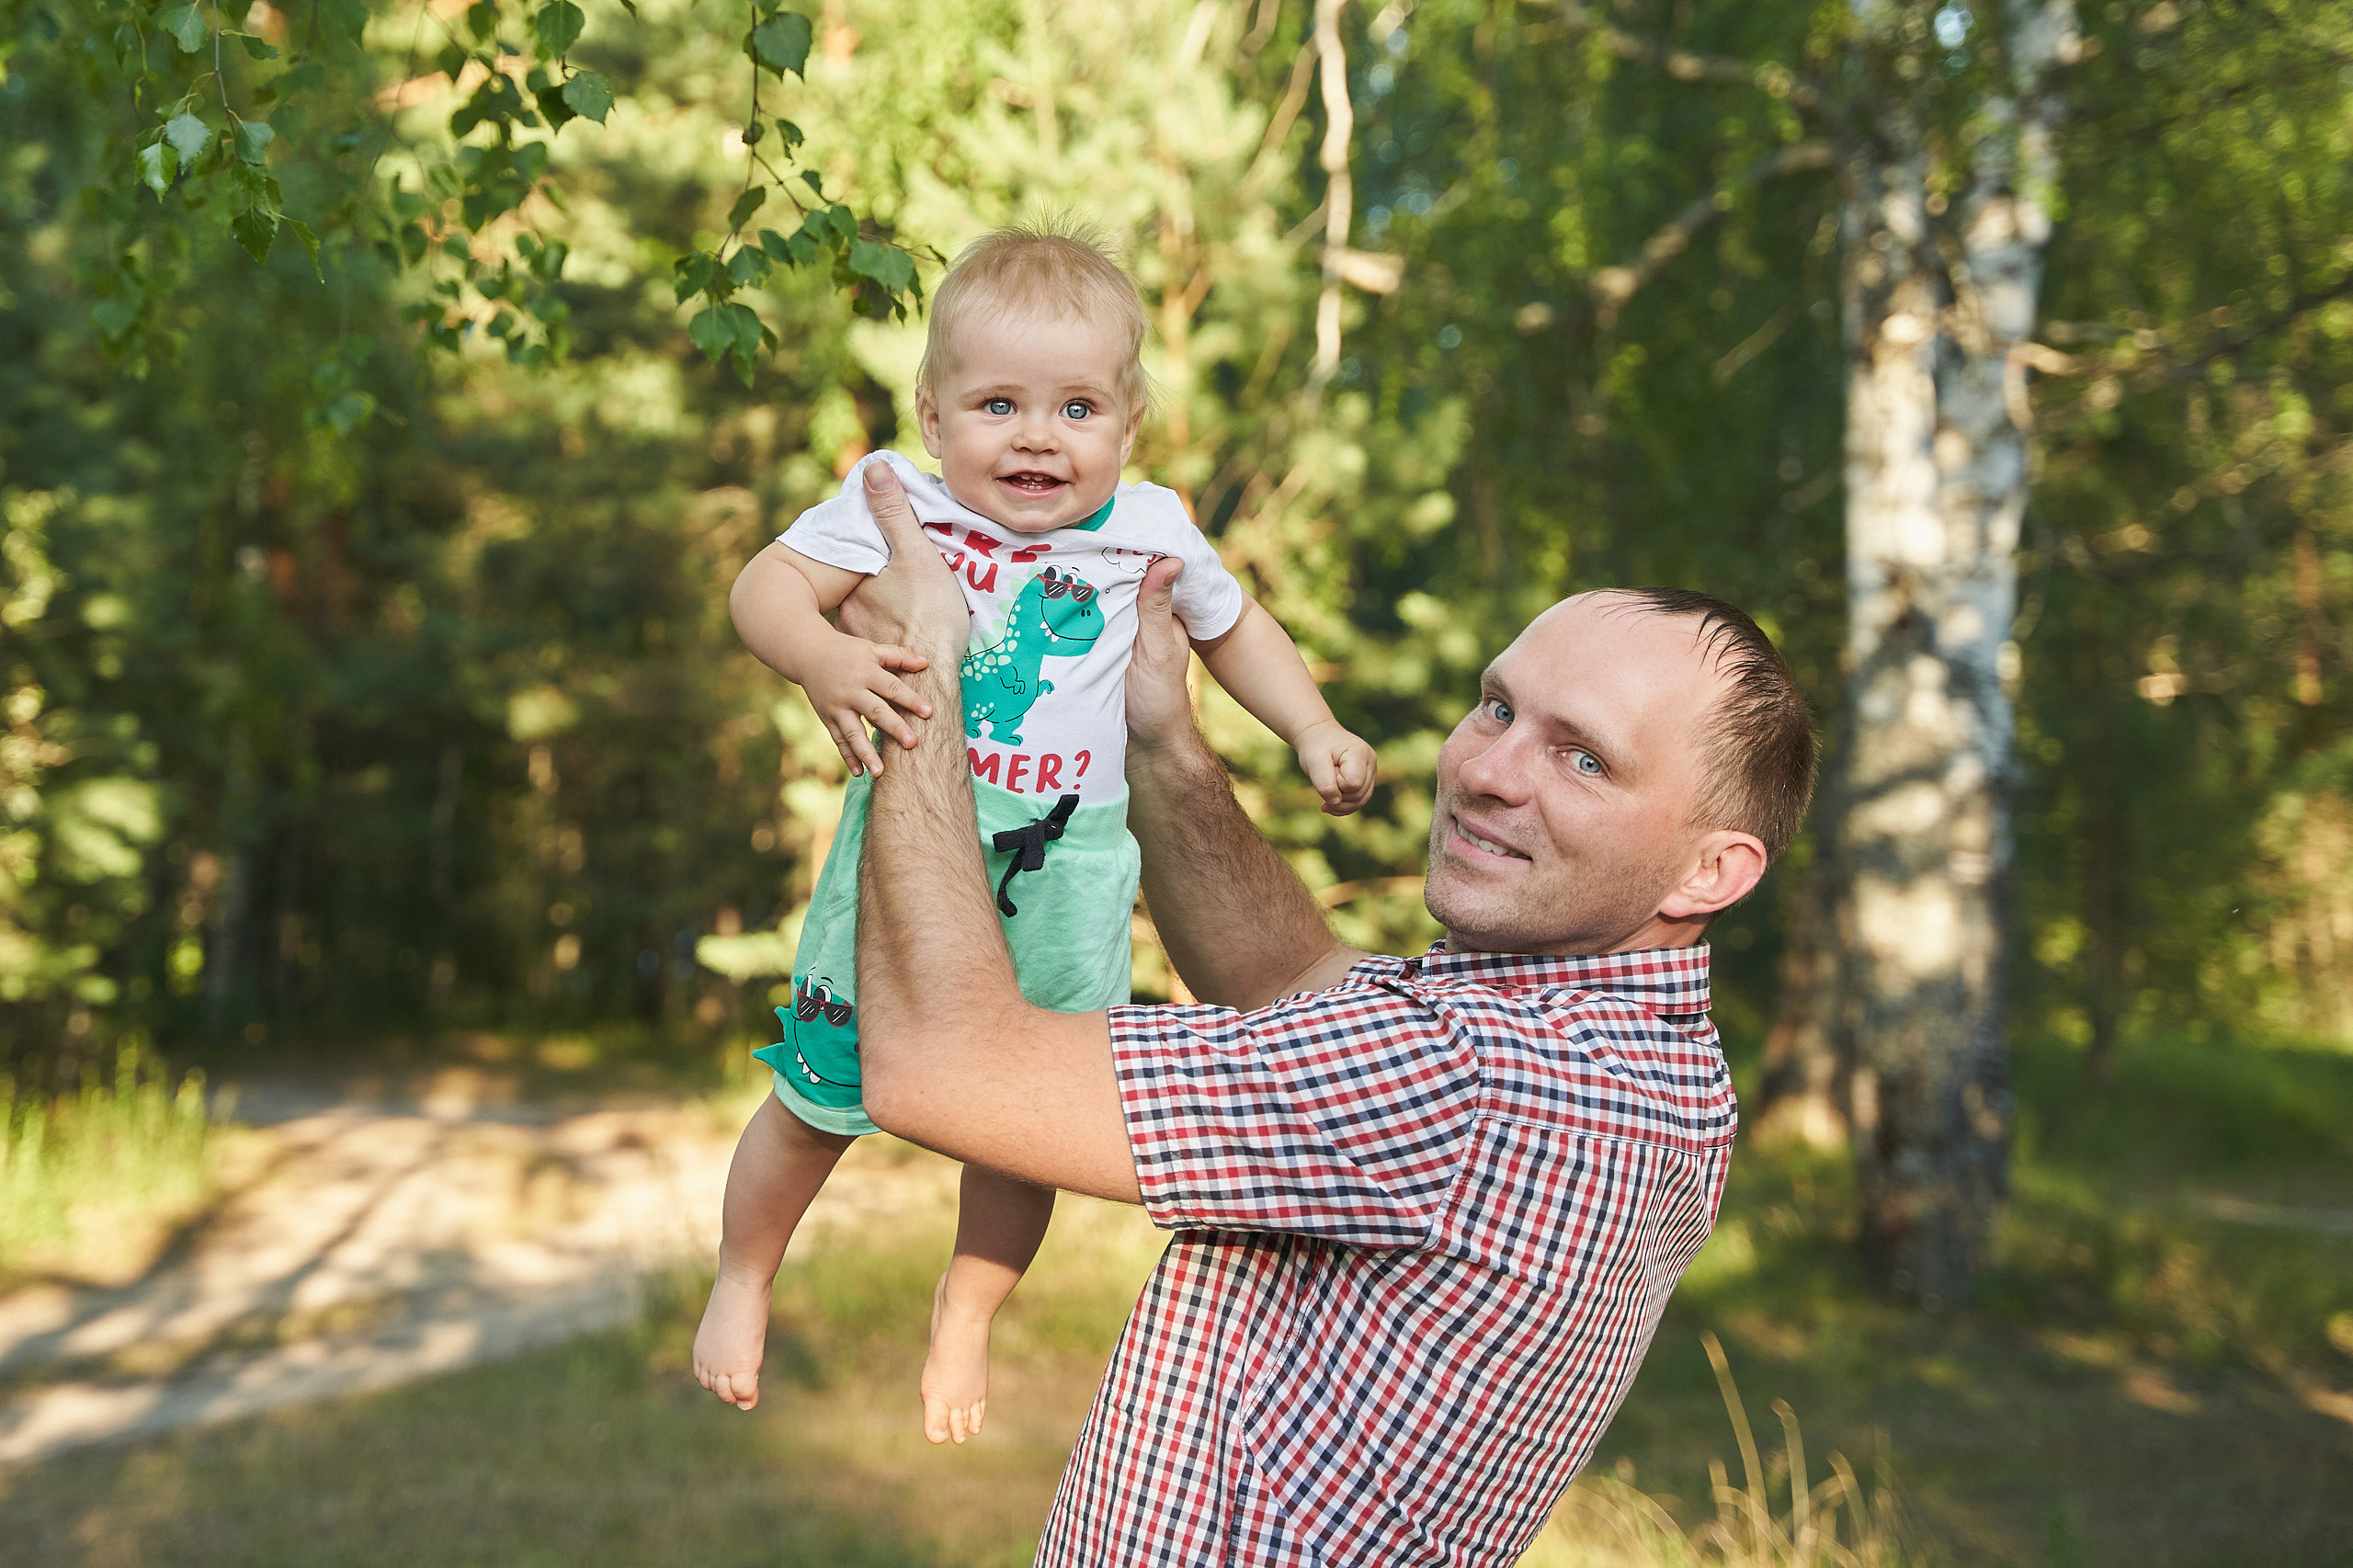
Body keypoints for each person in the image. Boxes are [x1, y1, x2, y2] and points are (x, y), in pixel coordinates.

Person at [835, 466, 1818, 1565]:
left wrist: (920, 677)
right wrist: (1157, 735)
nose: (1487, 771)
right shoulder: (1649, 1061)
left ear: (1710, 870)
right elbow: (1295, 974)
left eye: (1583, 758)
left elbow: (940, 1065)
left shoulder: (1475, 1076)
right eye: (1498, 707)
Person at [693, 222, 1378, 1446]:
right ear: (933, 412)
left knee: (1026, 1122)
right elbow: (764, 589)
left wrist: (1312, 725)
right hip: (907, 851)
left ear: (1128, 422)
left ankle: (967, 1310)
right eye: (997, 404)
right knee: (815, 1089)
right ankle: (744, 1274)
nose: (1037, 437)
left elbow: (1238, 629)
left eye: (1076, 408)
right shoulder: (895, 501)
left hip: (1072, 863)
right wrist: (825, 659)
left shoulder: (1151, 526)